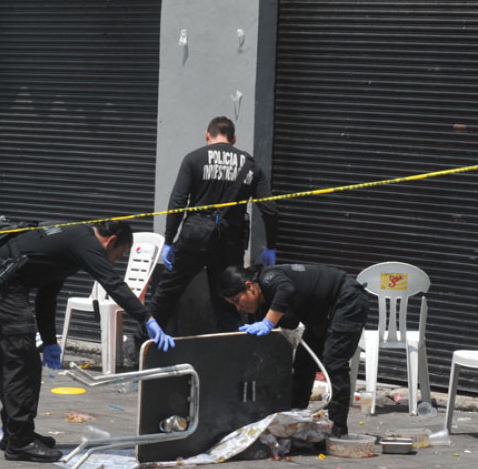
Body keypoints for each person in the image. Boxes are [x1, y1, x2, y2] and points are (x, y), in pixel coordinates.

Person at [0, 220, 175, 463]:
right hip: (2, 291)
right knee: (21, 366)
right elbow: (112, 283)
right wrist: (147, 319)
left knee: (12, 363)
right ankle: (20, 442)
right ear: (110, 242)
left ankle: (15, 433)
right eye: (117, 255)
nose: (114, 261)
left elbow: (47, 297)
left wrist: (49, 341)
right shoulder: (85, 243)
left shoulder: (70, 243)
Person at [147, 116, 278, 335]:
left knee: (167, 294)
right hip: (230, 241)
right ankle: (231, 353)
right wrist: (271, 246)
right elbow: (270, 210)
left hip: (194, 238)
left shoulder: (194, 159)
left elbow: (177, 203)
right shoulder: (251, 166)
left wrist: (169, 240)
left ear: (207, 135)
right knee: (228, 300)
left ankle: (140, 345)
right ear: (234, 138)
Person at [219, 263, 369, 437]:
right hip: (321, 314)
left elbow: (287, 288)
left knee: (334, 363)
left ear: (249, 287)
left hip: (347, 299)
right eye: (233, 305)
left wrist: (269, 322)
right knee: (303, 364)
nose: (239, 308)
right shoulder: (261, 306)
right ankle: (294, 420)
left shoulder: (269, 278)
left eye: (237, 300)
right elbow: (290, 322)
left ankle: (338, 430)